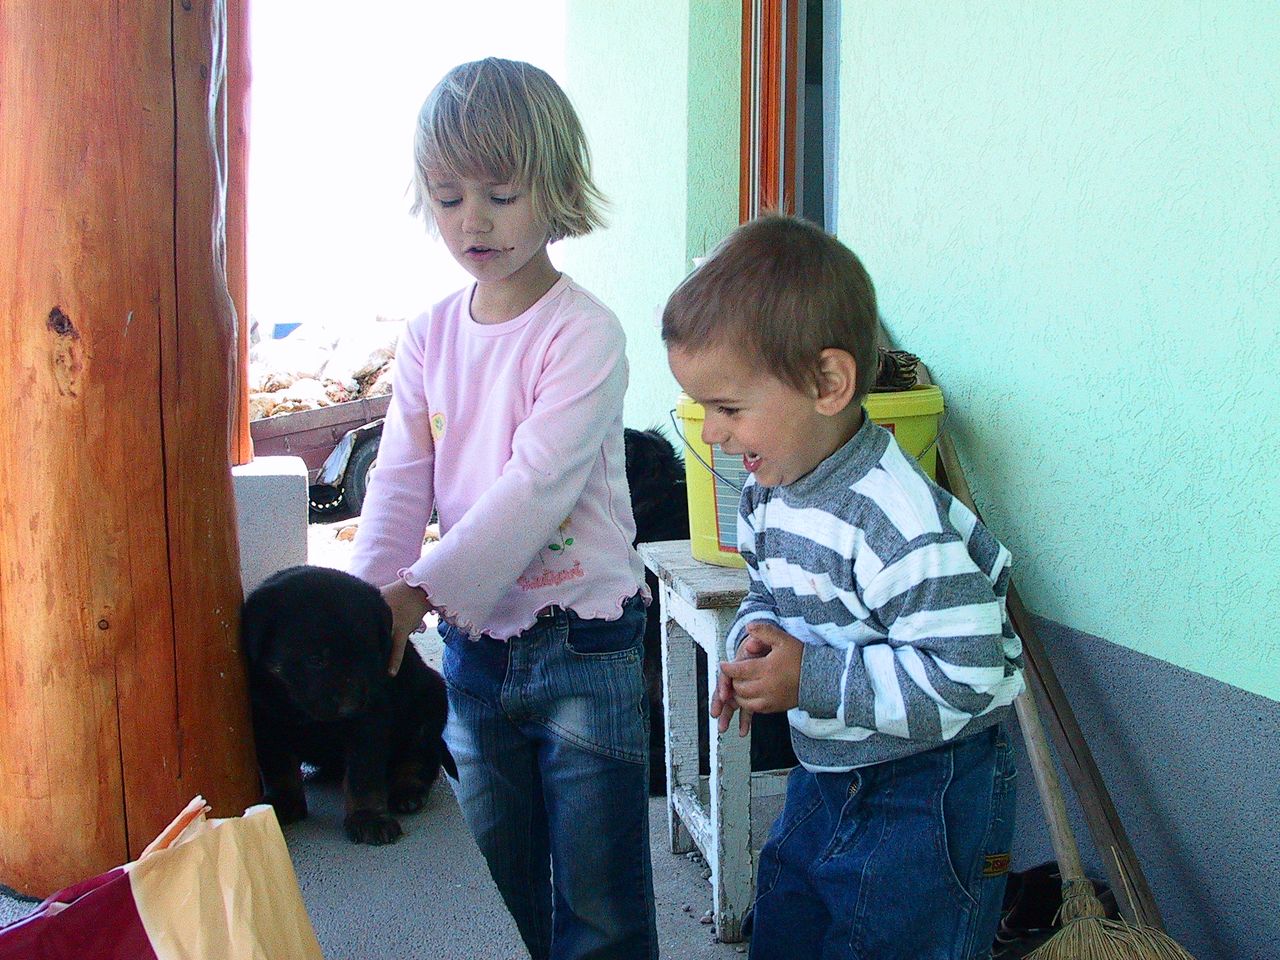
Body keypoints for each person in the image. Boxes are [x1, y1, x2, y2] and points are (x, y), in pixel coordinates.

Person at [349, 57, 657, 960]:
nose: (472, 221)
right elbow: (399, 481)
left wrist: (419, 590)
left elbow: (537, 485)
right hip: (475, 646)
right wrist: (369, 609)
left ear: (555, 189)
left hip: (584, 640)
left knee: (600, 900)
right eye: (449, 198)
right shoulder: (428, 336)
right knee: (496, 878)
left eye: (501, 194)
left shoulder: (583, 332)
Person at [661, 215, 1025, 960]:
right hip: (828, 768)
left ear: (827, 384)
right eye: (702, 410)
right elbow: (767, 593)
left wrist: (811, 678)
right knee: (787, 925)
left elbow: (967, 673)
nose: (711, 435)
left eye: (728, 408)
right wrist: (755, 642)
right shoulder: (769, 493)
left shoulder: (895, 520)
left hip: (926, 788)